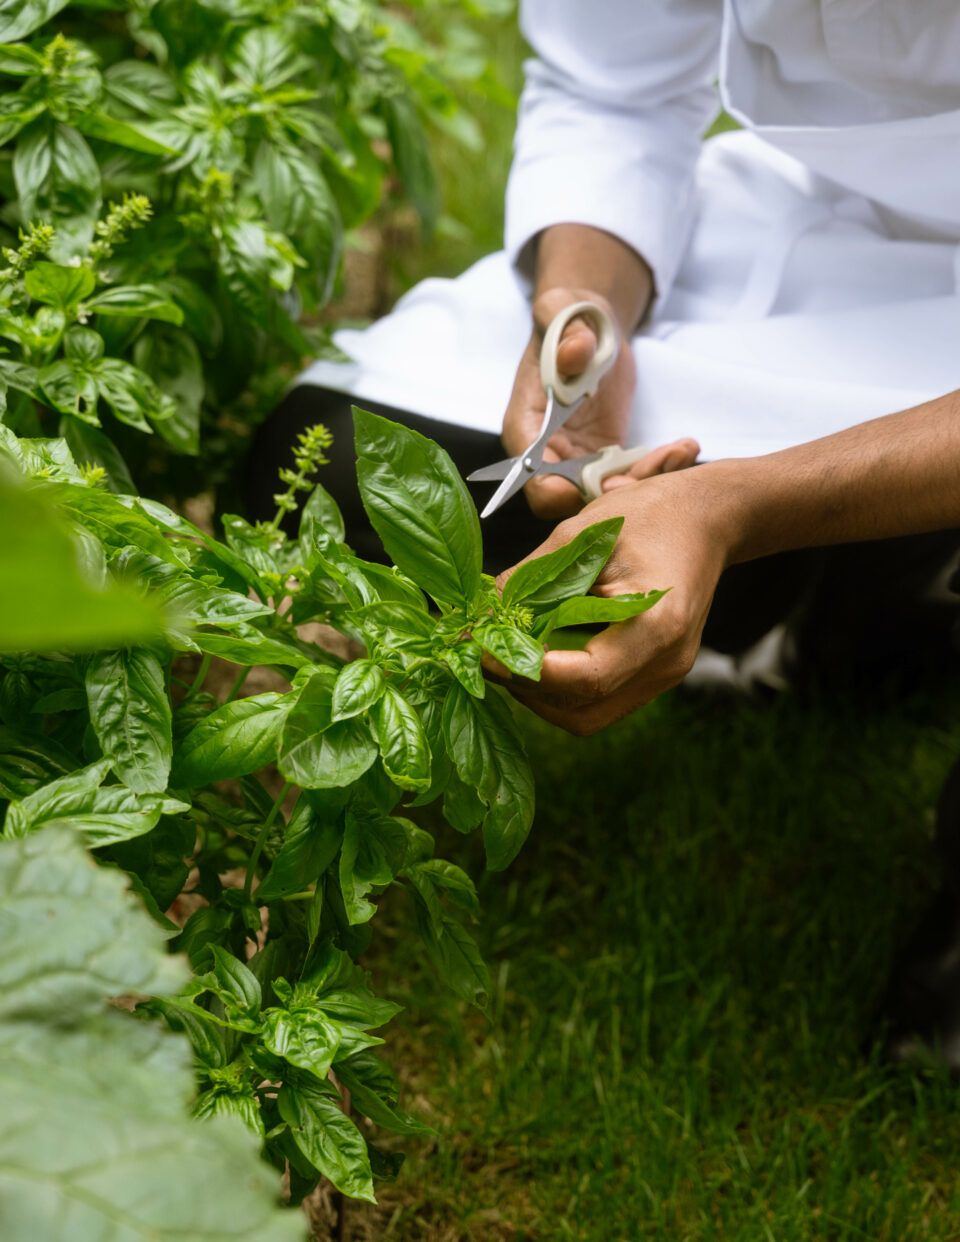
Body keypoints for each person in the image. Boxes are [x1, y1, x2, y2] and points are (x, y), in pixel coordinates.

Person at [247, 1, 960, 1059]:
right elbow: (613, 85)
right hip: (845, 234)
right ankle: (877, 600)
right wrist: (587, 305)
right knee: (337, 458)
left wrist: (742, 503)